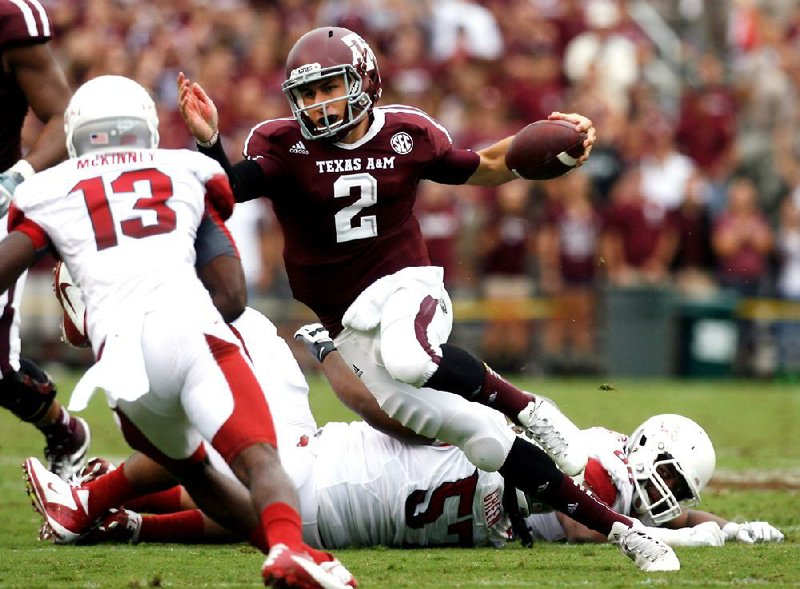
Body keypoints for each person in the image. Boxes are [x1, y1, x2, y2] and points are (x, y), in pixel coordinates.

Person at [177, 26, 680, 571]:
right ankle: (629, 534)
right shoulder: (284, 147)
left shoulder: (405, 134)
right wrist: (209, 141)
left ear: (365, 80)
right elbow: (228, 191)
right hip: (348, 325)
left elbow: (485, 168)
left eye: (330, 87)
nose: (320, 104)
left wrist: (551, 140)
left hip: (405, 287)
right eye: (309, 94)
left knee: (412, 357)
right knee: (484, 440)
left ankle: (532, 408)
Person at [5, 74, 355, 589]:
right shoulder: (184, 171)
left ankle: (294, 552)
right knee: (259, 459)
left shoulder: (50, 190)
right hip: (188, 335)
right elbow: (233, 296)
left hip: (122, 368)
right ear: (145, 129)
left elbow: (8, 262)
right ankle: (288, 547)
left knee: (197, 473)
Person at [53, 332, 783, 552]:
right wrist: (716, 526)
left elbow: (380, 410)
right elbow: (623, 514)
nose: (655, 498)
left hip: (357, 471)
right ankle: (125, 518)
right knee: (255, 506)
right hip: (377, 508)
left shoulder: (557, 466)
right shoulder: (592, 510)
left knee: (235, 448)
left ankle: (92, 496)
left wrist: (330, 352)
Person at [0, 0, 89, 480]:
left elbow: (63, 116)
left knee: (0, 373)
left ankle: (64, 430)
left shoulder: (10, 20)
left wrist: (19, 175)